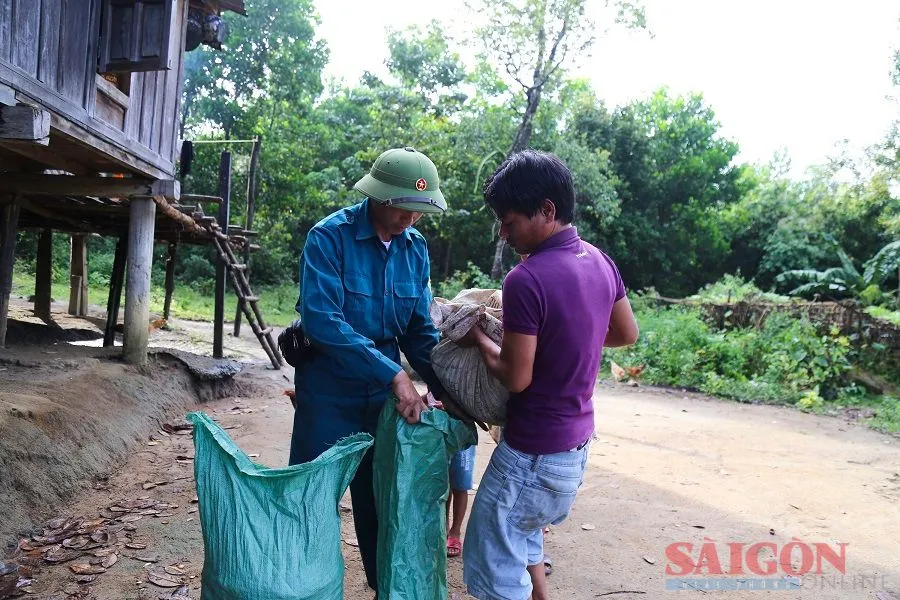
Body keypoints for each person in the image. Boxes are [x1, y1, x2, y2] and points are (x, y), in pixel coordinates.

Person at [459, 150, 639, 600]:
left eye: (509, 220)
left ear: (547, 211)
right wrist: (570, 341)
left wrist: (479, 337)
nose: (503, 232)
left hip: (531, 454)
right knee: (524, 528)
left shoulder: (527, 278)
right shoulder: (600, 261)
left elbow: (515, 377)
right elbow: (625, 333)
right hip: (574, 449)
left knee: (493, 565)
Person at [289, 147, 450, 595]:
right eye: (404, 208)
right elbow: (323, 321)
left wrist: (446, 386)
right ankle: (301, 585)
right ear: (378, 197)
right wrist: (395, 376)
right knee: (312, 493)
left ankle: (385, 588)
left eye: (420, 211)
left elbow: (419, 330)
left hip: (381, 396)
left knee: (380, 499)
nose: (411, 220)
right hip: (328, 388)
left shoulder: (414, 250)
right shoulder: (329, 237)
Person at [446, 444, 476, 558]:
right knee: (444, 481)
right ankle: (445, 525)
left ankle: (455, 531)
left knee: (461, 484)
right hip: (441, 431)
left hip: (464, 436)